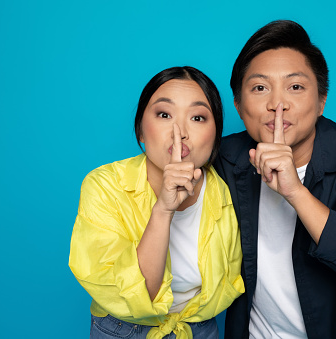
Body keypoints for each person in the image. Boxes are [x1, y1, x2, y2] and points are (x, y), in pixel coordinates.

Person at [214, 20, 336, 339]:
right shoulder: (225, 158)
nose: (278, 104)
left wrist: (296, 193)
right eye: (260, 88)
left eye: (295, 87)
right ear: (238, 105)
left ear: (321, 102)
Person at [69, 66, 244, 339]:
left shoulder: (227, 189)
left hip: (199, 329)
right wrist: (163, 209)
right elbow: (138, 297)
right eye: (164, 114)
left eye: (198, 117)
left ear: (215, 137)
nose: (180, 131)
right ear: (140, 130)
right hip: (123, 329)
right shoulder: (104, 184)